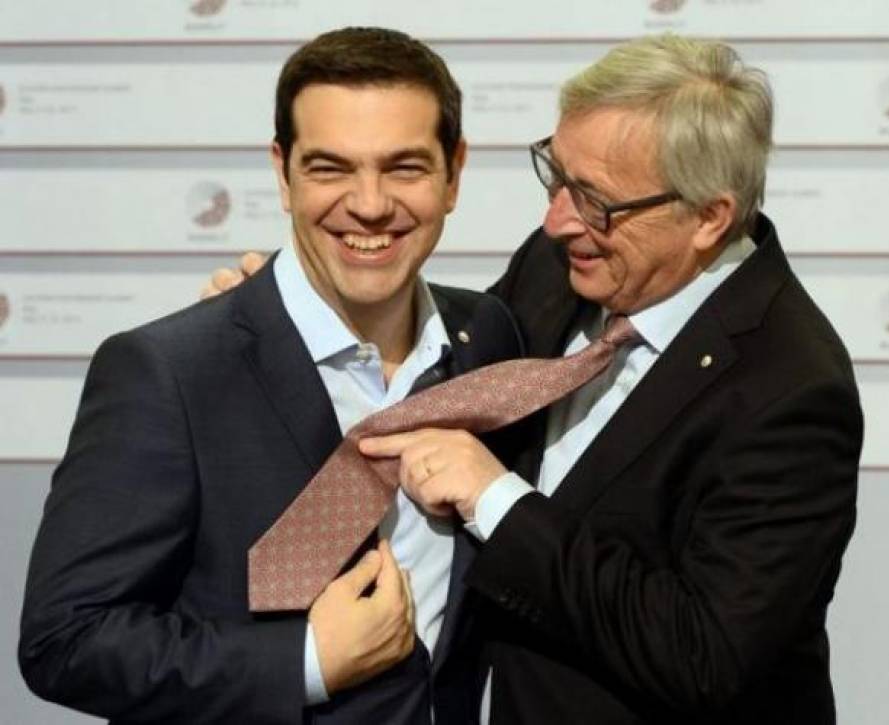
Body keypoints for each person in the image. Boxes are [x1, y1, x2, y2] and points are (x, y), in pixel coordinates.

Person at [211, 33, 863, 725]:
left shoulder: (792, 389)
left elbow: (705, 655)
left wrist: (495, 500)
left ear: (708, 217)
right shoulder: (571, 263)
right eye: (557, 177)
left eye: (595, 200)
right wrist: (291, 319)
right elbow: (447, 379)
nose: (557, 221)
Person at [18, 27, 523, 725]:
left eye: (404, 167)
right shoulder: (170, 372)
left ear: (454, 173)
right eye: (330, 168)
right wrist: (305, 659)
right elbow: (64, 639)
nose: (370, 203)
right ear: (283, 174)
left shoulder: (486, 338)